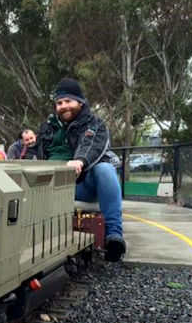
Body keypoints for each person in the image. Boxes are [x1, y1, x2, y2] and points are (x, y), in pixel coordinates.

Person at [34, 79, 126, 261]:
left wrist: (79, 161)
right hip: (52, 185)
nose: (64, 106)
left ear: (80, 102)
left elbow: (90, 144)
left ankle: (114, 236)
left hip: (80, 183)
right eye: (59, 103)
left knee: (105, 169)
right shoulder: (47, 128)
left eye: (68, 101)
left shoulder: (95, 123)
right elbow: (34, 152)